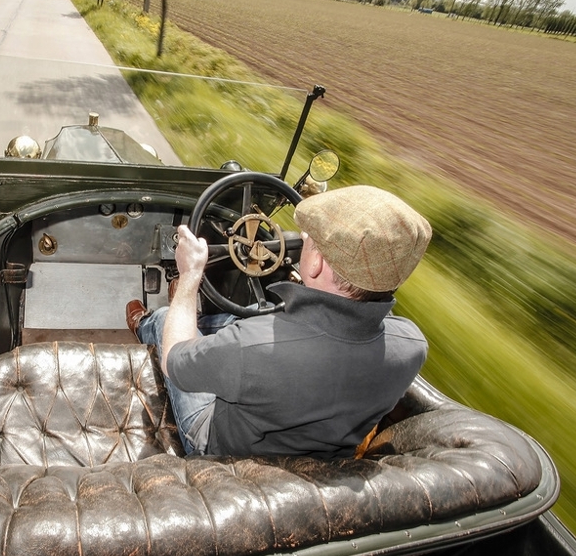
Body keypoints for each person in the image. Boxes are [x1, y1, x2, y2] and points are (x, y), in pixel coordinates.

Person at [126, 185, 432, 458]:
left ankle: (144, 324)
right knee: (232, 319)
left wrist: (190, 275)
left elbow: (173, 361)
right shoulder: (412, 345)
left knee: (170, 318)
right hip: (322, 457)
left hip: (220, 447)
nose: (301, 237)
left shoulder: (253, 345)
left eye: (309, 238)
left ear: (315, 263)